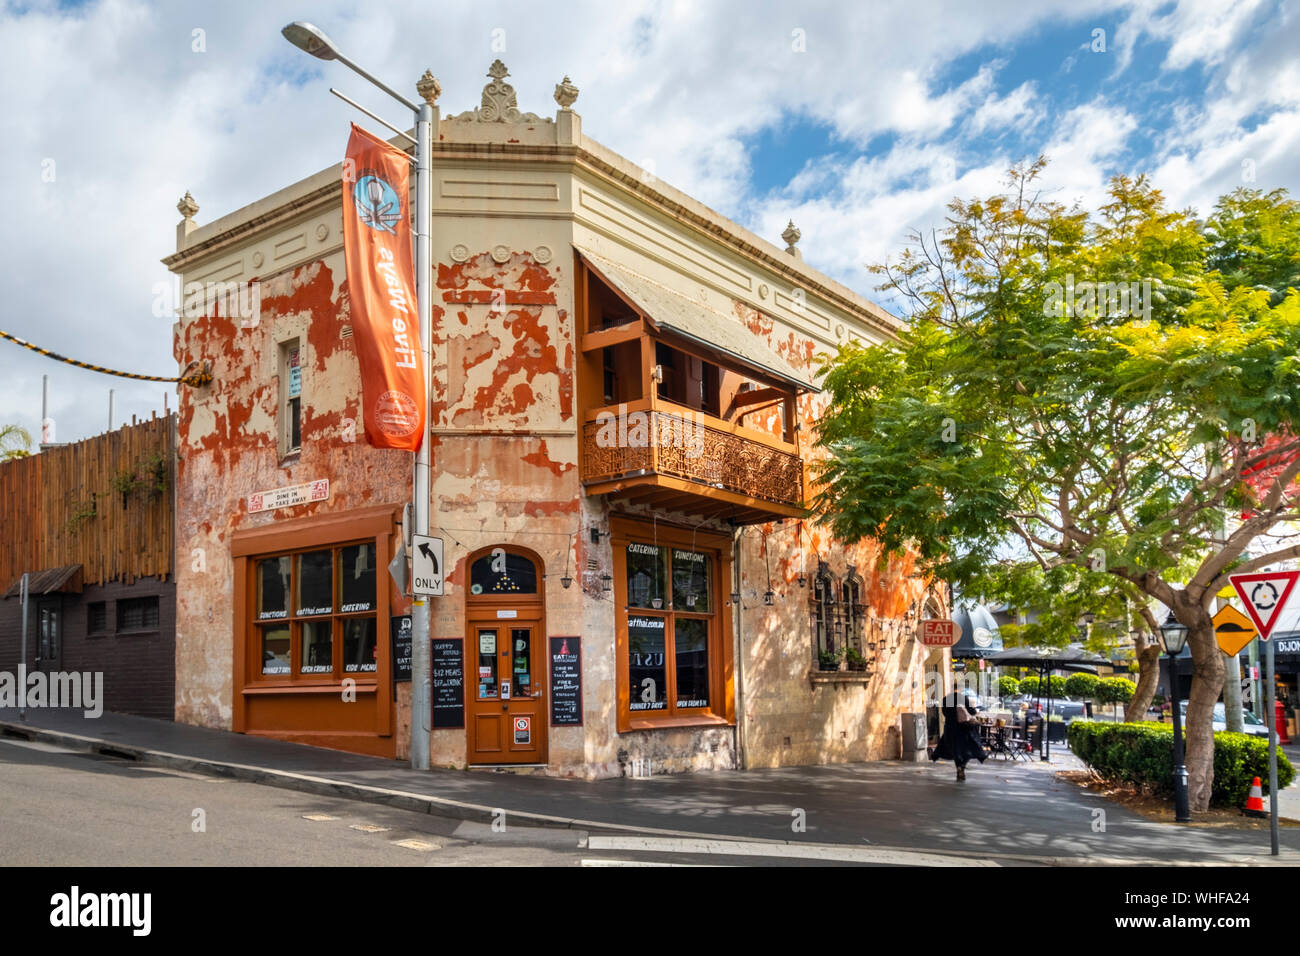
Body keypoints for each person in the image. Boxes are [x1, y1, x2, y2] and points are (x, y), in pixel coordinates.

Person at [931, 686, 987, 781]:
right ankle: (962, 766)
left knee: (956, 750)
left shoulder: (945, 699)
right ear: (959, 688)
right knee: (967, 749)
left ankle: (959, 767)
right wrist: (975, 710)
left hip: (950, 728)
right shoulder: (963, 698)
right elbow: (971, 712)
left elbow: (944, 713)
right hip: (963, 728)